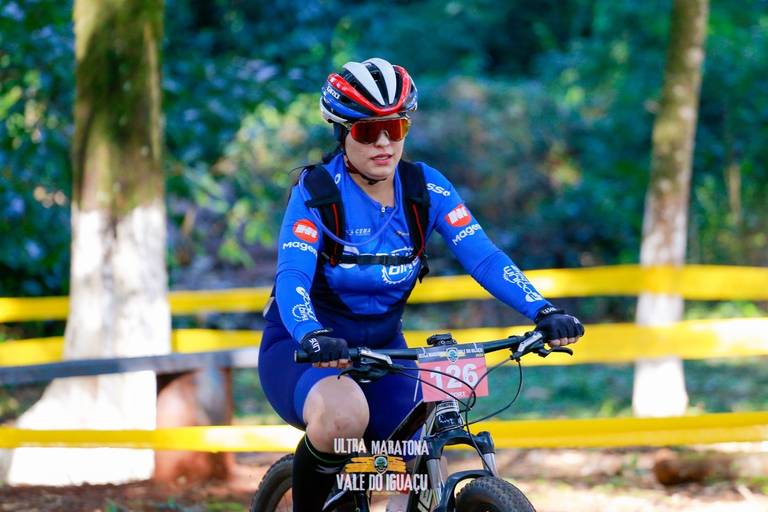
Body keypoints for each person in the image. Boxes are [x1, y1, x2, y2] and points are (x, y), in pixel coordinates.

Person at [258, 57, 585, 511]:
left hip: (385, 350)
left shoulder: (425, 188)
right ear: (342, 133)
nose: (384, 143)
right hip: (306, 348)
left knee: (421, 443)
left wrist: (543, 310)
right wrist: (311, 335)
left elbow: (485, 257)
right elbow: (292, 276)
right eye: (368, 131)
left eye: (395, 128)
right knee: (344, 417)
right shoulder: (318, 193)